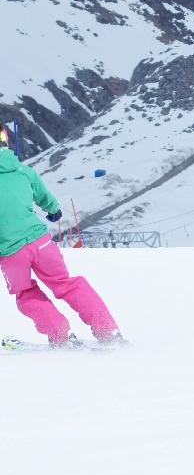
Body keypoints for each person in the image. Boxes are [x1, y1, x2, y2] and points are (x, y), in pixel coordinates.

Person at [0, 123, 124, 348]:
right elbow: (44, 196)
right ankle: (108, 330)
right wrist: (53, 210)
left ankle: (61, 336)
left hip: (11, 251)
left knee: (25, 294)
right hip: (41, 242)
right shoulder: (23, 171)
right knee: (66, 284)